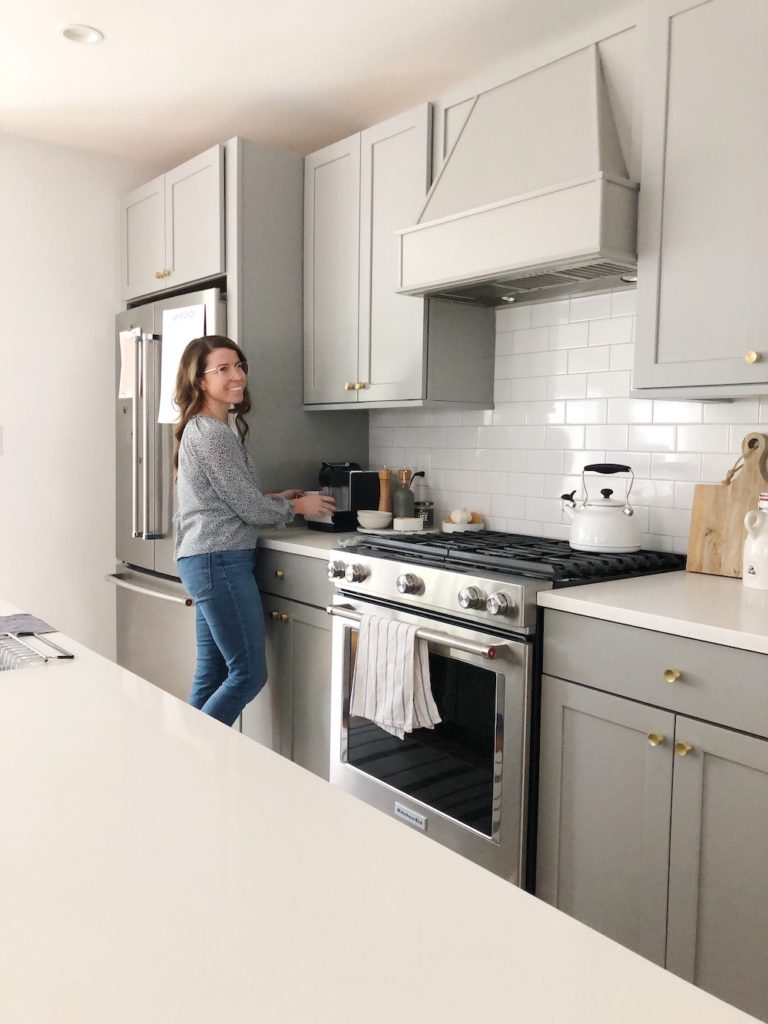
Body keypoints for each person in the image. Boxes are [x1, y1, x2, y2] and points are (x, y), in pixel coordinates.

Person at [172, 335, 335, 726]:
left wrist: (273, 497)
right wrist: (297, 506)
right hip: (219, 563)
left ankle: (183, 768)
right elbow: (247, 509)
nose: (237, 375)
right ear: (200, 381)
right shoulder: (213, 434)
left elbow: (226, 498)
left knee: (211, 675)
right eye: (223, 369)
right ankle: (190, 757)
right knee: (247, 674)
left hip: (206, 561)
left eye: (240, 365)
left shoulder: (204, 428)